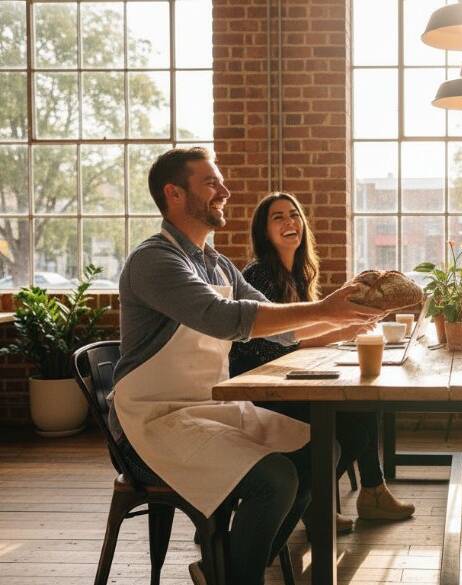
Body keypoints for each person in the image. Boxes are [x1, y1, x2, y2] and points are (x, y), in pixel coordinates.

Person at [108, 147, 382, 585]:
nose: (225, 191)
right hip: (150, 422)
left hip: (207, 409)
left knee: (319, 451)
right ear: (174, 194)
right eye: (211, 183)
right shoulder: (154, 261)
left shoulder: (217, 264)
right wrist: (324, 309)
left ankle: (227, 570)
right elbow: (225, 319)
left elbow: (276, 328)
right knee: (272, 479)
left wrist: (344, 317)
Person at [229, 192, 415, 532]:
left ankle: (365, 494)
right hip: (261, 388)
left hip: (286, 376)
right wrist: (342, 326)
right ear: (264, 231)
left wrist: (347, 324)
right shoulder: (259, 275)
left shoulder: (298, 272)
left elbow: (298, 332)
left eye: (294, 215)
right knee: (353, 422)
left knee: (363, 408)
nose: (290, 223)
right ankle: (319, 501)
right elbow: (279, 345)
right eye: (278, 217)